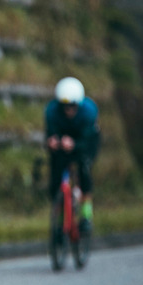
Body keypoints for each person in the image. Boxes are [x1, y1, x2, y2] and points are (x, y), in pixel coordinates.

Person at [44, 76, 100, 232]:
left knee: (84, 170)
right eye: (65, 106)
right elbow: (50, 133)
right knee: (55, 172)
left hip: (84, 142)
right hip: (63, 142)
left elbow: (89, 140)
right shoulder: (52, 112)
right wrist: (51, 141)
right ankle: (59, 213)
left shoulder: (88, 112)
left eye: (72, 106)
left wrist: (75, 144)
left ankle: (86, 214)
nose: (68, 110)